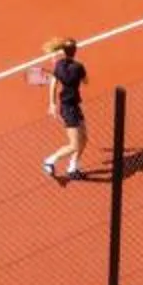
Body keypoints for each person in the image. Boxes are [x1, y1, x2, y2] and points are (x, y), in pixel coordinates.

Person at [38, 35, 88, 183]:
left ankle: (73, 167)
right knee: (74, 144)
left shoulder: (58, 66)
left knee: (84, 139)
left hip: (71, 106)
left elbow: (53, 83)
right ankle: (50, 160)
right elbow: (86, 81)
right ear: (75, 51)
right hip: (69, 109)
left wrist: (52, 103)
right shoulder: (78, 67)